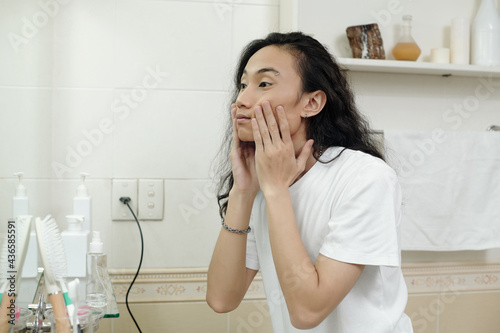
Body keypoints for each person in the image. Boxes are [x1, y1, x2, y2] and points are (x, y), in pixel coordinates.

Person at [206, 32, 413, 332]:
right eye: (242, 85)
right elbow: (221, 299)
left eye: (263, 84)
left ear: (312, 102)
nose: (241, 100)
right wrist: (243, 190)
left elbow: (307, 312)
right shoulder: (262, 180)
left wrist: (275, 189)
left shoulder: (365, 178)